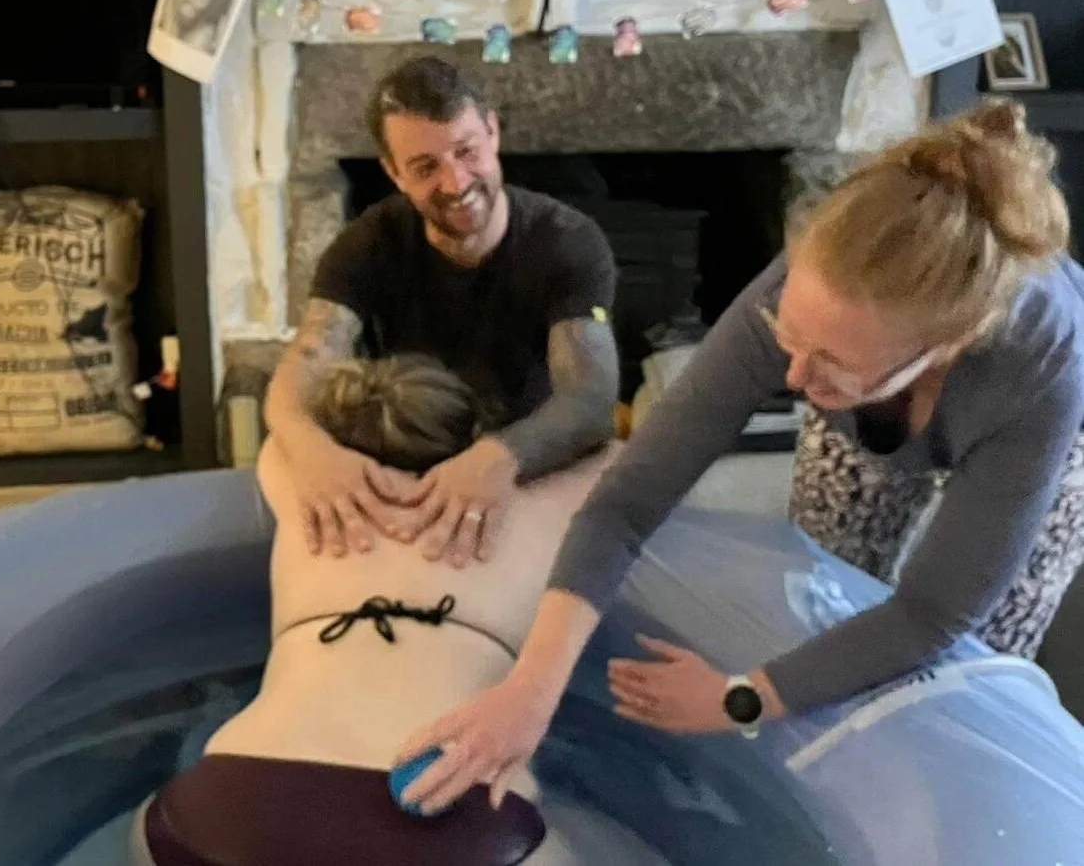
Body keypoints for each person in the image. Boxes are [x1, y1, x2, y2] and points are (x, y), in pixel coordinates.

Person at [395, 98, 1084, 815]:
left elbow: (933, 614)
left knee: (973, 663)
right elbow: (627, 502)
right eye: (791, 341)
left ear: (939, 351)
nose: (795, 380)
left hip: (1034, 431)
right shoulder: (806, 300)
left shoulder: (1042, 372)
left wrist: (742, 698)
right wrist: (530, 689)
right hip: (876, 375)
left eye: (831, 362)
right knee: (822, 582)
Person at [132, 355, 664, 866]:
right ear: (475, 434)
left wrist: (325, 445)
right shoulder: (536, 505)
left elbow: (287, 416)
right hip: (455, 821)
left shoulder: (303, 485)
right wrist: (502, 456)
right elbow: (615, 446)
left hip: (218, 811)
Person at [262, 55, 620, 567]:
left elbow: (591, 400)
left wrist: (499, 457)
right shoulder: (368, 243)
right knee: (280, 451)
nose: (455, 183)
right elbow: (305, 364)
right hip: (407, 463)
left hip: (528, 462)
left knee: (614, 466)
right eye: (425, 167)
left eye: (466, 151)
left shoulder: (568, 240)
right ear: (393, 172)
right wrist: (316, 452)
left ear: (492, 132)